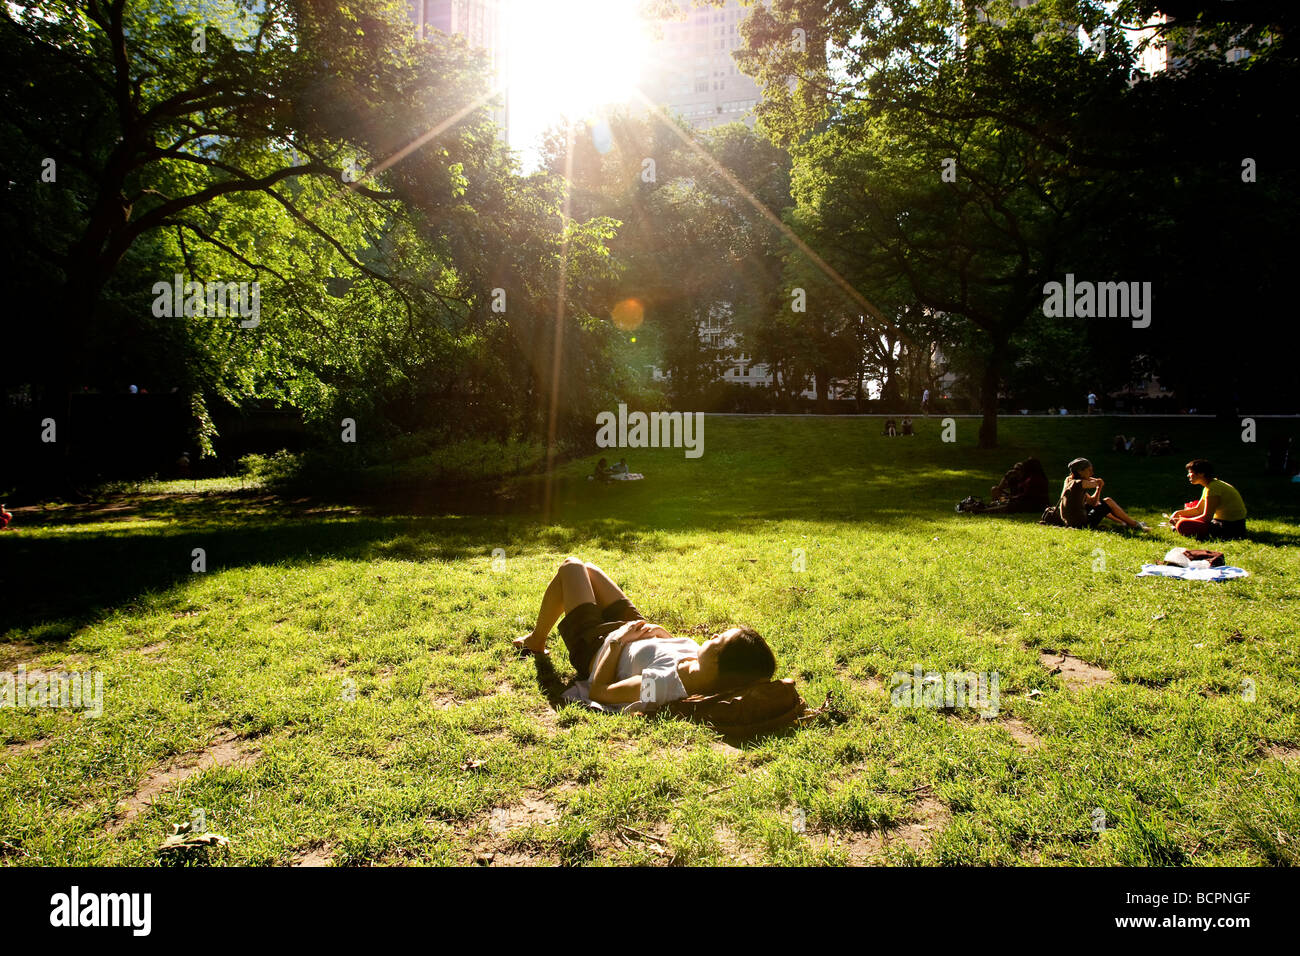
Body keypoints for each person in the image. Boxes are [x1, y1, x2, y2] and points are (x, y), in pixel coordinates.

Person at [512, 558, 777, 706]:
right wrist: (661, 633)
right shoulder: (700, 662)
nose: (712, 636)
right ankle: (537, 638)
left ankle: (536, 641)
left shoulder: (661, 684)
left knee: (571, 567)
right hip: (636, 631)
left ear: (718, 660)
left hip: (599, 646)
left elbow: (600, 692)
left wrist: (617, 641)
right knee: (588, 570)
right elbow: (664, 653)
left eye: (718, 639)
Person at [1056, 458, 1148, 531]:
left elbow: (1092, 502)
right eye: (1089, 470)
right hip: (1081, 524)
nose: (1092, 473)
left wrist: (1097, 486)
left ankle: (1125, 523)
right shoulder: (1081, 483)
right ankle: (1134, 524)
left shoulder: (1069, 480)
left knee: (1101, 504)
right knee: (1108, 501)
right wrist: (1099, 486)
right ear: (1080, 471)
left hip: (1071, 522)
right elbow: (1096, 484)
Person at [1168, 459, 1248, 540]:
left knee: (1182, 524)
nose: (1188, 475)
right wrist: (1178, 513)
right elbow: (1198, 510)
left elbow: (1207, 517)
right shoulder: (1210, 486)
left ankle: (1181, 527)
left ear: (1201, 473)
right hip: (1221, 522)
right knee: (1184, 518)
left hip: (1229, 527)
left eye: (1190, 472)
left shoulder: (1213, 488)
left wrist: (1182, 520)